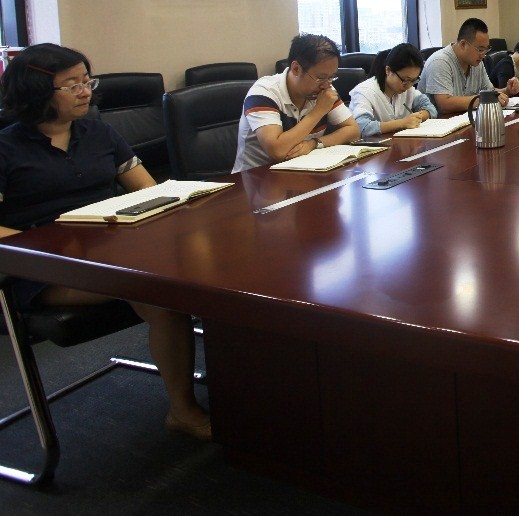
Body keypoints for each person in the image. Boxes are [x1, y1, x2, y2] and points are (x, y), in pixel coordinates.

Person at [0, 44, 211, 439]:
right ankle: (183, 411)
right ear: (36, 92)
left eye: (87, 81)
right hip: (42, 267)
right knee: (158, 291)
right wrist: (46, 245)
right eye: (72, 85)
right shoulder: (5, 148)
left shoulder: (99, 133)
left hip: (110, 247)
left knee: (198, 270)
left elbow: (149, 193)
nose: (86, 92)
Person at [233, 33, 360, 172]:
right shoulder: (264, 92)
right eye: (320, 77)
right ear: (296, 69)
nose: (326, 84)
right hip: (257, 178)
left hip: (303, 172)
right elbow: (278, 151)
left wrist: (314, 143)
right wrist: (318, 111)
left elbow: (353, 131)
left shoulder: (324, 90)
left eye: (332, 77)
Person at [423, 17, 515, 115]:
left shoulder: (477, 62)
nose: (483, 55)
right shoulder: (440, 62)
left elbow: (489, 92)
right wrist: (483, 99)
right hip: (439, 122)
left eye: (486, 49)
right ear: (463, 44)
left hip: (465, 119)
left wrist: (507, 91)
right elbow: (444, 105)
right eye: (480, 49)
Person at [348, 43, 439, 136]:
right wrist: (402, 123)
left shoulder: (409, 89)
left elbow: (431, 109)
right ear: (388, 70)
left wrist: (418, 117)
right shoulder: (364, 92)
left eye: (413, 80)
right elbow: (362, 127)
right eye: (405, 80)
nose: (408, 86)